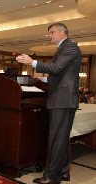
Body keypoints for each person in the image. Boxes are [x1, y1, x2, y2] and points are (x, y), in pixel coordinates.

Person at [16, 22, 81, 184]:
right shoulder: (63, 48)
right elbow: (61, 74)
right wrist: (43, 79)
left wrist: (33, 63)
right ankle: (64, 171)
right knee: (61, 138)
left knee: (57, 139)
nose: (49, 35)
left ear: (62, 32)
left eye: (52, 32)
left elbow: (57, 68)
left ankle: (53, 176)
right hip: (62, 98)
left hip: (62, 99)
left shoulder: (70, 46)